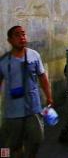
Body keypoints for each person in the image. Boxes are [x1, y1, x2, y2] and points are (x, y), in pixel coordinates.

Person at [0, 26, 54, 158]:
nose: (21, 37)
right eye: (17, 35)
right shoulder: (4, 61)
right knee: (10, 145)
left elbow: (42, 77)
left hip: (33, 109)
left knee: (37, 139)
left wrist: (49, 96)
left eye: (23, 34)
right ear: (10, 40)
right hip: (12, 111)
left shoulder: (34, 55)